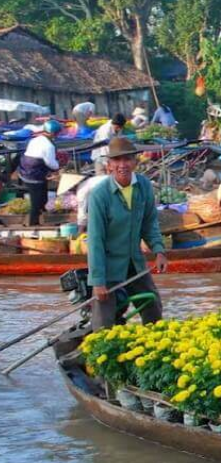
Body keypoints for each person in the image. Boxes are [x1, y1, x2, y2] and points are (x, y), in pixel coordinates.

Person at [86, 137, 168, 331]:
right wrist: (98, 282)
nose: (122, 165)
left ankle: (153, 342)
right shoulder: (99, 195)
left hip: (134, 261)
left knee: (153, 307)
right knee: (103, 322)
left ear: (135, 162)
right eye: (117, 160)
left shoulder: (144, 186)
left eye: (127, 159)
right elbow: (95, 241)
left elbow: (149, 222)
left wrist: (159, 250)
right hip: (108, 266)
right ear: (109, 165)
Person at [18, 120, 61, 226]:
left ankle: (44, 217)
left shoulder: (35, 140)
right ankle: (33, 223)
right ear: (53, 133)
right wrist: (59, 165)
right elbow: (51, 163)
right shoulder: (49, 146)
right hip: (34, 175)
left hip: (25, 171)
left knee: (43, 195)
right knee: (36, 200)